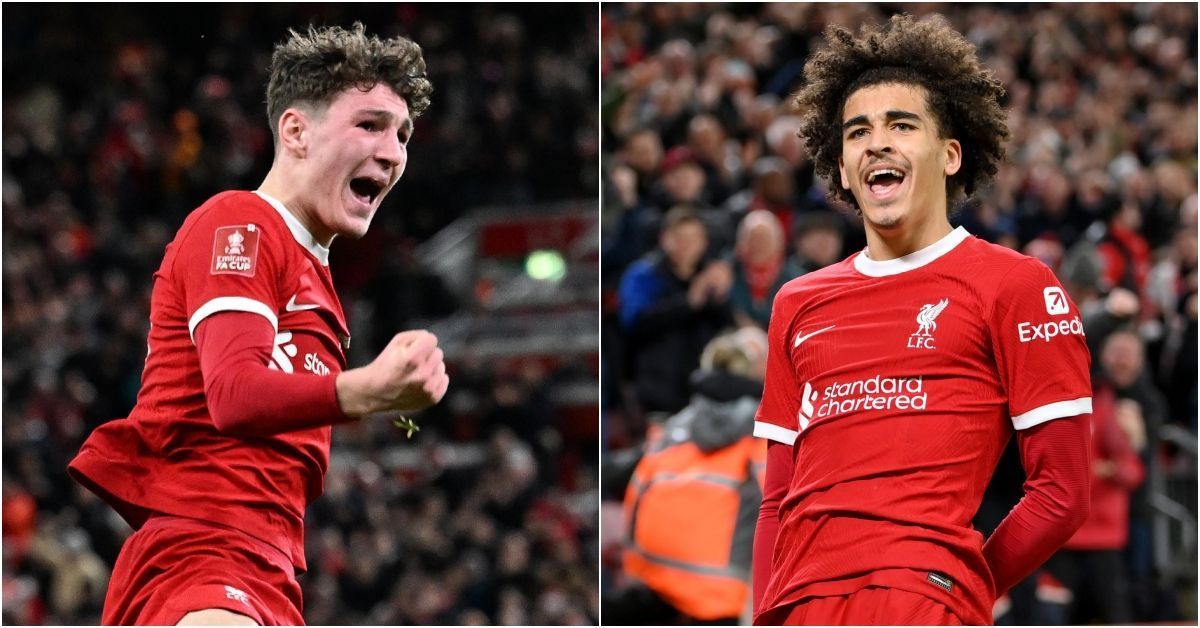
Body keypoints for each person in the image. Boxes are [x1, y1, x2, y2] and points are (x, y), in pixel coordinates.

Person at [67, 23, 449, 626]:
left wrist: (387, 400)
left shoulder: (318, 282)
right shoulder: (242, 222)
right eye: (370, 124)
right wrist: (368, 391)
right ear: (295, 131)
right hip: (202, 554)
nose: (394, 151)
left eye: (402, 135)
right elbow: (234, 395)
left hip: (268, 571)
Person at [751, 15, 1093, 626]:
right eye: (858, 132)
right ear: (844, 165)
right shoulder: (796, 302)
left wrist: (960, 588)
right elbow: (776, 501)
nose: (876, 142)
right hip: (798, 606)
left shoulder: (1016, 285)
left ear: (951, 153)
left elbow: (1061, 494)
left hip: (918, 599)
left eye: (901, 125)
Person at [612, 328, 769, 625]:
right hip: (721, 594)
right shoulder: (765, 430)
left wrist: (633, 567)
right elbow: (777, 506)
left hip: (654, 580)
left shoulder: (675, 426)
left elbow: (638, 491)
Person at [618, 206, 734, 415]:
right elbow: (634, 323)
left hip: (705, 392)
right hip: (658, 392)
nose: (687, 245)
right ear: (664, 239)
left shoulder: (711, 276)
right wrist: (688, 303)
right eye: (680, 238)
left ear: (704, 242)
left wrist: (720, 298)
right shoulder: (644, 275)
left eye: (694, 238)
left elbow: (727, 328)